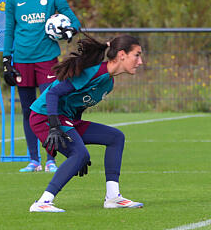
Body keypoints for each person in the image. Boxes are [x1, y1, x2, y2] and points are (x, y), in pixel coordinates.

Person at [28, 32, 144, 212]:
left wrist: (75, 144)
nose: (140, 61)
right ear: (122, 55)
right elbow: (52, 94)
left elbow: (78, 106)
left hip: (66, 118)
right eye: (137, 55)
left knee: (115, 137)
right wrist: (54, 127)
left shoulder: (108, 83)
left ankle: (113, 197)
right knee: (80, 154)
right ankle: (43, 202)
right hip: (44, 115)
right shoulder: (92, 73)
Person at [2, 0, 80, 173]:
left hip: (47, 61)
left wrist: (70, 30)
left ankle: (51, 159)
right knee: (28, 111)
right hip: (22, 60)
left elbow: (74, 20)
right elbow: (9, 30)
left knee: (47, 108)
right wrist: (7, 60)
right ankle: (33, 160)